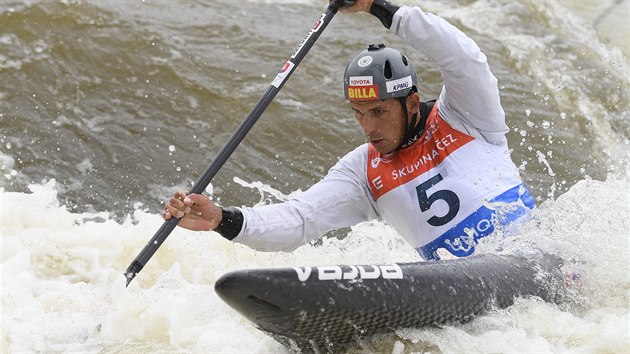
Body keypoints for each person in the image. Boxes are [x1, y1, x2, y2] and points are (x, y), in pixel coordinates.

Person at [164, 0, 535, 260]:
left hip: (534, 256)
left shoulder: (466, 116)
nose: (369, 128)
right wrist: (222, 220)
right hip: (459, 286)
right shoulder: (363, 172)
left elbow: (464, 58)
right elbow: (299, 220)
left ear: (409, 103)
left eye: (378, 111)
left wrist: (378, 6)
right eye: (359, 114)